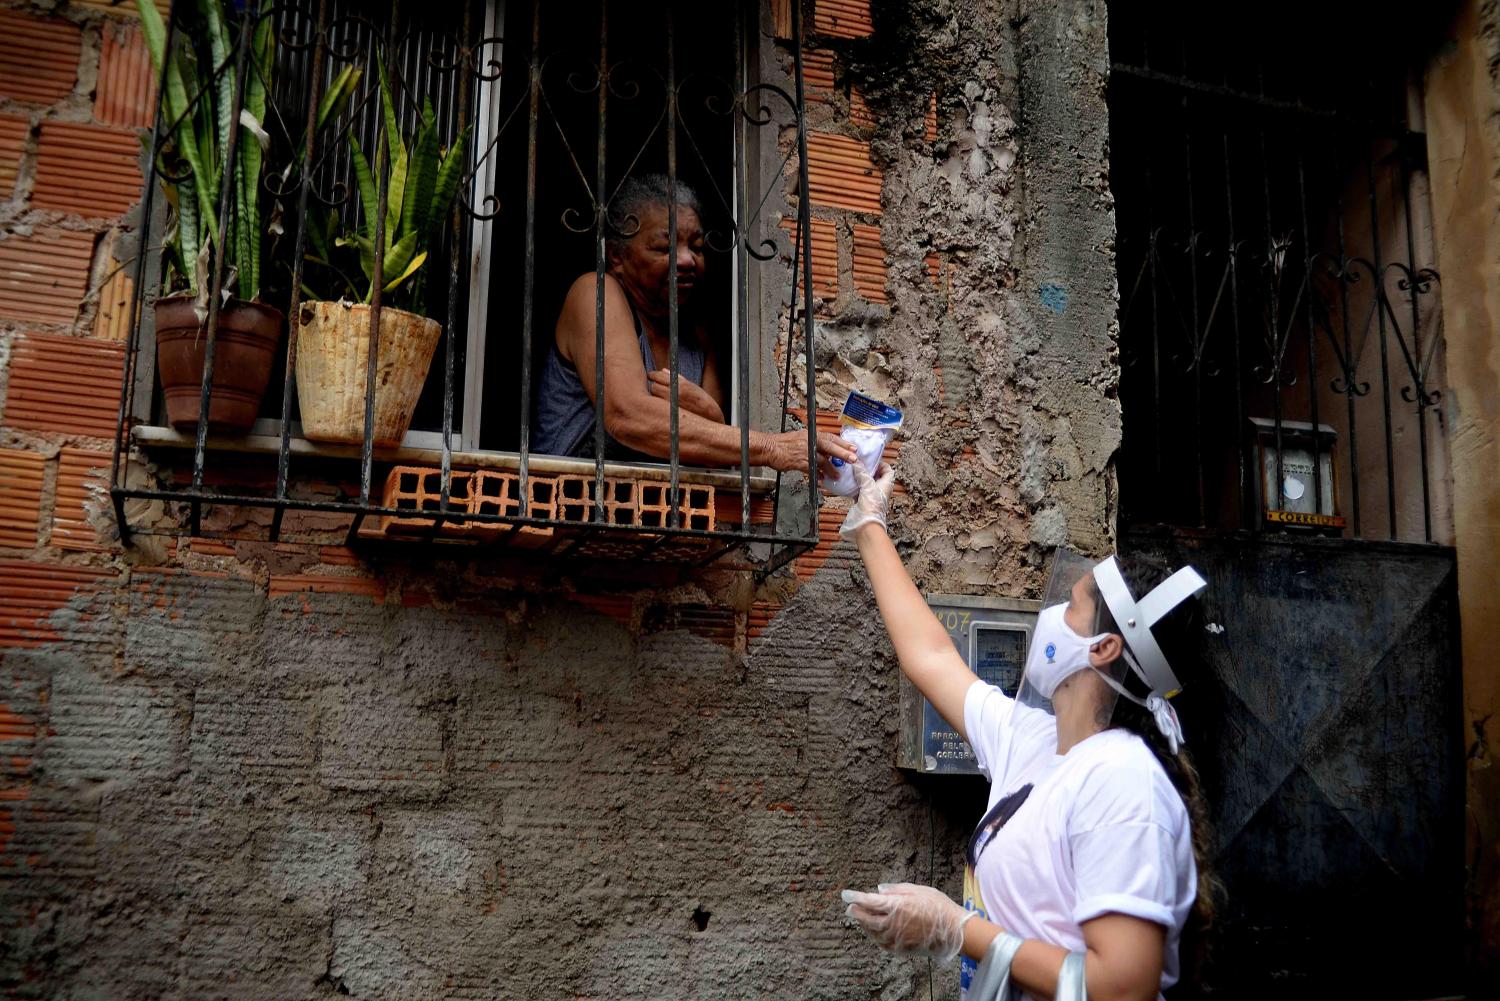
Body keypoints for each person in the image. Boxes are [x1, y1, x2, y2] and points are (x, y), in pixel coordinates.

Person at [837, 462, 1220, 1001]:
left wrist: (957, 930)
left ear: (1103, 648)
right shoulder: (1037, 744)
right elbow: (931, 656)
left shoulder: (1123, 780)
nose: (1058, 609)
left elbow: (1124, 987)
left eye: (1078, 603)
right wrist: (869, 521)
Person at [531, 174, 855, 472]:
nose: (687, 260)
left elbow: (710, 449)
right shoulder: (595, 292)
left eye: (696, 247)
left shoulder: (698, 333)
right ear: (617, 256)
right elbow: (627, 415)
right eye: (664, 247)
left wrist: (712, 417)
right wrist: (771, 446)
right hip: (567, 512)